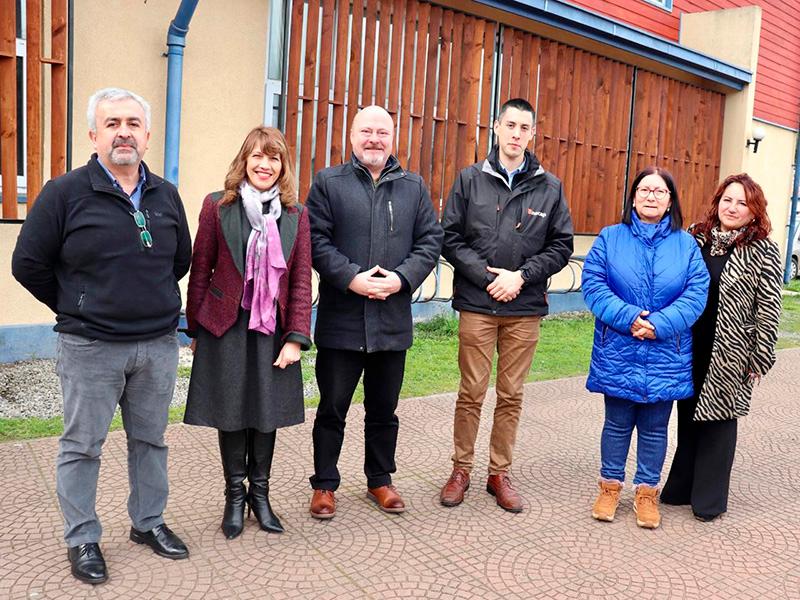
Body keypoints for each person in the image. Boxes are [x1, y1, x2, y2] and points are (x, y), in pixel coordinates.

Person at [11, 88, 192, 584]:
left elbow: (181, 261)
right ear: (94, 135)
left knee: (150, 441)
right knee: (82, 445)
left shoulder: (165, 195)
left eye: (133, 123)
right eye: (112, 123)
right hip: (90, 346)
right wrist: (78, 303)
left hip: (156, 345)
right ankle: (83, 536)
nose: (124, 132)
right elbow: (27, 264)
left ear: (148, 136)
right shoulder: (64, 193)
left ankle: (148, 523)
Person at [305, 105, 443, 519]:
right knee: (332, 409)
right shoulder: (328, 183)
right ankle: (325, 485)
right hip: (342, 319)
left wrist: (401, 279)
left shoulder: (413, 187)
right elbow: (316, 240)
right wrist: (352, 278)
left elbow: (430, 241)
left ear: (393, 138)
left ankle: (380, 480)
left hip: (391, 321)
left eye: (382, 132)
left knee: (384, 410)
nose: (374, 139)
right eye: (366, 131)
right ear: (351, 136)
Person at [439, 97, 574, 513]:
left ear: (533, 134)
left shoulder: (549, 187)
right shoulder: (469, 179)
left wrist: (522, 276)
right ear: (496, 128)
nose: (516, 134)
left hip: (524, 306)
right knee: (471, 392)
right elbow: (449, 237)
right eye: (510, 125)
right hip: (478, 304)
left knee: (511, 394)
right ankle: (461, 469)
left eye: (524, 128)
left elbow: (562, 244)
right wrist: (486, 276)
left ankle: (499, 473)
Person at [183, 126, 312, 539]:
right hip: (226, 323)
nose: (264, 164)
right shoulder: (217, 207)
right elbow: (200, 269)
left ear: (282, 166)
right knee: (232, 411)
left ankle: (261, 496)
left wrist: (296, 336)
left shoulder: (296, 215)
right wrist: (195, 327)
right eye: (257, 156)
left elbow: (301, 282)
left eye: (273, 158)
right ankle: (234, 499)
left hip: (272, 329)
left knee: (266, 411)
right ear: (245, 160)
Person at [582, 166, 709, 529]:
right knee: (617, 423)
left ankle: (647, 493)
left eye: (659, 192)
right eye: (644, 190)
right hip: (619, 346)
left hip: (666, 350)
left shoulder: (686, 245)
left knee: (655, 427)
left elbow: (696, 294)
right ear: (633, 197)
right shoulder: (610, 238)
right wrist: (629, 318)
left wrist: (658, 325)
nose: (651, 196)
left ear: (670, 202)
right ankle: (609, 487)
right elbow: (593, 285)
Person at [661, 173, 783, 521]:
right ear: (718, 202)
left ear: (754, 210)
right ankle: (681, 488)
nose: (733, 207)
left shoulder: (763, 250)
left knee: (719, 421)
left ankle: (709, 500)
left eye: (742, 202)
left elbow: (769, 306)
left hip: (732, 350)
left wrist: (760, 356)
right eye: (728, 200)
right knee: (687, 417)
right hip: (690, 344)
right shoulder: (695, 238)